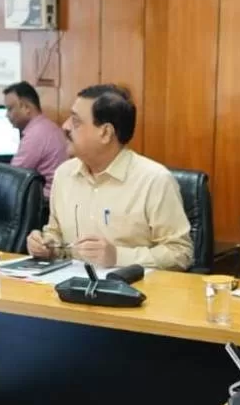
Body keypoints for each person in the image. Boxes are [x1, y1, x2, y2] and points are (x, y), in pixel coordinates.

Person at [26, 84, 192, 271]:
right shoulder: (64, 174)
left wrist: (117, 256)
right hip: (70, 284)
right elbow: (55, 233)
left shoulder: (154, 180)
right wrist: (46, 245)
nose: (65, 126)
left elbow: (180, 253)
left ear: (105, 133)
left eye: (76, 121)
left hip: (131, 286)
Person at [4, 80, 66, 197]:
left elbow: (11, 178)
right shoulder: (48, 126)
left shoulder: (35, 135)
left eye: (10, 109)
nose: (6, 115)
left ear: (26, 107)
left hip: (44, 201)